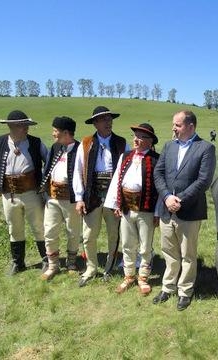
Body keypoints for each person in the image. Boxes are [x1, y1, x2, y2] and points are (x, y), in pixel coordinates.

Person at [152, 110, 216, 311]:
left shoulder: (205, 148)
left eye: (177, 125)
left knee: (188, 254)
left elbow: (203, 180)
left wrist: (180, 199)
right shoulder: (169, 146)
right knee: (169, 251)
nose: (174, 128)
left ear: (191, 126)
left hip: (189, 211)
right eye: (174, 124)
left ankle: (185, 291)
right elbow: (158, 173)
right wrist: (166, 197)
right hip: (166, 208)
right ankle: (168, 286)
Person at [0, 110, 48, 275]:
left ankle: (47, 260)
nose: (26, 128)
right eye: (22, 125)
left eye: (26, 125)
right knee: (15, 228)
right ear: (11, 126)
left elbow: (49, 163)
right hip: (9, 194)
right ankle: (18, 263)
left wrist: (44, 187)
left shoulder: (36, 143)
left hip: (32, 192)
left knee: (39, 226)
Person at [73, 106, 129, 287]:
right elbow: (78, 170)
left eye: (109, 119)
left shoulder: (122, 143)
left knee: (114, 234)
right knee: (89, 235)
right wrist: (80, 197)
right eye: (103, 119)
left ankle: (109, 267)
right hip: (92, 196)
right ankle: (91, 268)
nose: (108, 122)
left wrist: (123, 198)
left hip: (114, 198)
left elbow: (127, 170)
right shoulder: (86, 143)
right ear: (95, 123)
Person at [104, 123, 160, 295]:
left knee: (145, 246)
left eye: (141, 137)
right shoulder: (125, 156)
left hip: (146, 210)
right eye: (135, 136)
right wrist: (116, 204)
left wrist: (157, 213)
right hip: (127, 208)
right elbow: (117, 181)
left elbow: (159, 189)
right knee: (127, 244)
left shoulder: (156, 159)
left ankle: (143, 277)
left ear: (150, 141)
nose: (136, 139)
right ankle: (128, 275)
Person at [39, 116, 81, 281]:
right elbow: (47, 168)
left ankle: (71, 263)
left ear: (65, 132)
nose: (53, 134)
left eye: (55, 130)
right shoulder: (55, 147)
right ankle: (53, 266)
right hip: (53, 197)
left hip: (71, 199)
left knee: (73, 232)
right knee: (49, 231)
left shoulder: (80, 149)